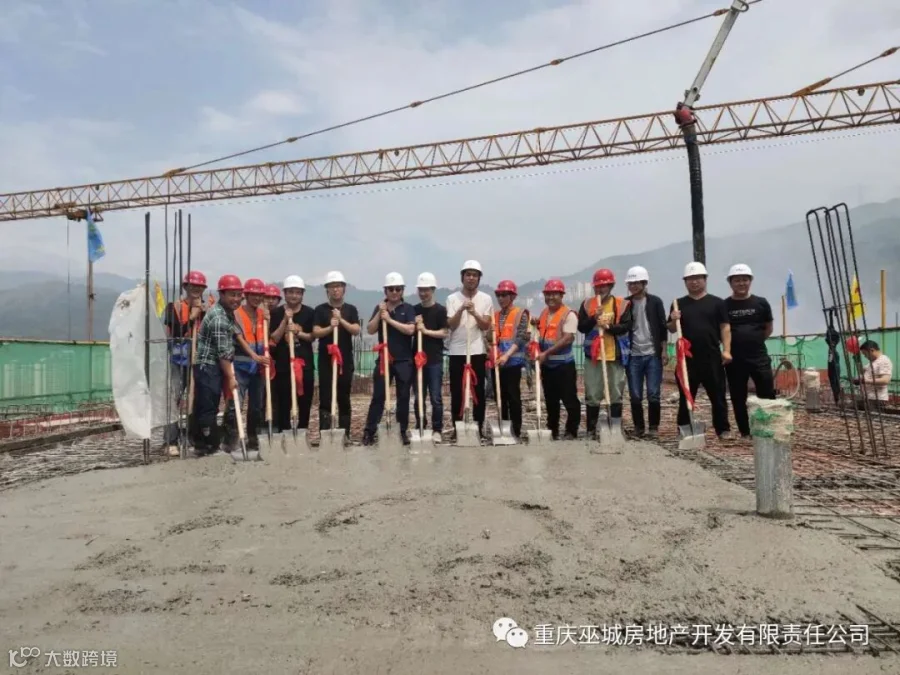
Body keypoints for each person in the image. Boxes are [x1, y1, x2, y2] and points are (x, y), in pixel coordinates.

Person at [668, 261, 733, 440]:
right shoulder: (678, 304)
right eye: (690, 279)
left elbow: (725, 328)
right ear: (685, 282)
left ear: (705, 279)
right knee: (686, 395)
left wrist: (727, 350)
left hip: (712, 356)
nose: (694, 282)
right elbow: (672, 329)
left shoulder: (717, 303)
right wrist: (673, 319)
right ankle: (684, 429)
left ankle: (723, 429)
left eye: (697, 278)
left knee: (718, 395)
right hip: (687, 359)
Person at [362, 273, 417, 445]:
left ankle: (402, 431)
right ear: (385, 290)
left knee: (403, 397)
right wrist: (380, 314)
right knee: (379, 396)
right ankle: (369, 432)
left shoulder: (408, 308)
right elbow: (370, 329)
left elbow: (410, 330)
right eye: (391, 289)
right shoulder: (380, 308)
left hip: (404, 360)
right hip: (384, 359)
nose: (394, 292)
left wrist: (390, 320)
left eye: (398, 289)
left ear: (402, 291)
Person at [577, 269, 632, 438]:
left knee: (615, 392)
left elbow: (626, 326)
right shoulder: (587, 304)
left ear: (611, 286)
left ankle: (614, 427)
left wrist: (608, 327)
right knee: (593, 393)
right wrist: (594, 317)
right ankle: (591, 429)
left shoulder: (621, 304)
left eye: (604, 286)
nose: (600, 289)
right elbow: (581, 327)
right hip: (593, 356)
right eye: (598, 286)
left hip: (614, 355)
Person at [192, 274, 243, 455]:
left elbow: (236, 336)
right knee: (208, 405)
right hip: (208, 365)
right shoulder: (219, 318)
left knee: (207, 404)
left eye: (238, 295)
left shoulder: (227, 313)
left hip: (214, 365)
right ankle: (208, 446)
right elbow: (223, 354)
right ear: (222, 294)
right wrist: (231, 378)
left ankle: (200, 444)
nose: (236, 299)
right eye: (232, 295)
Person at [724, 263, 775, 438]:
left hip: (759, 357)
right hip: (735, 359)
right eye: (737, 280)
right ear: (730, 283)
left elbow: (768, 328)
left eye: (745, 280)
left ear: (750, 281)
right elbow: (721, 330)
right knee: (738, 397)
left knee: (766, 393)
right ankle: (745, 431)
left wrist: (754, 341)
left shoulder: (761, 303)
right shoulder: (725, 305)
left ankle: (767, 428)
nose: (741, 283)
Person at [446, 260, 493, 440]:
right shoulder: (452, 299)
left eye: (475, 275)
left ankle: (478, 426)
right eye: (468, 274)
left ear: (479, 278)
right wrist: (461, 309)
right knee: (457, 391)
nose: (471, 278)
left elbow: (486, 325)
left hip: (477, 350)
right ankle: (458, 427)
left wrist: (474, 312)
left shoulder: (486, 299)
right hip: (456, 351)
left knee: (478, 391)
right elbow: (451, 325)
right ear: (462, 277)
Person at [312, 271, 361, 438]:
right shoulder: (320, 310)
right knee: (325, 397)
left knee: (344, 397)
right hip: (326, 361)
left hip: (344, 360)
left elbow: (356, 330)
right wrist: (330, 327)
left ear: (344, 289)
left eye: (338, 286)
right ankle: (325, 433)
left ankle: (345, 434)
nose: (335, 290)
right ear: (327, 290)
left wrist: (341, 320)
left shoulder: (350, 309)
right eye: (331, 287)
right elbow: (316, 332)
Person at [163, 270, 207, 454]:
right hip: (178, 360)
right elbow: (175, 332)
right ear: (185, 287)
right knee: (172, 399)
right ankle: (170, 441)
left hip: (200, 360)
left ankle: (193, 437)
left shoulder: (208, 309)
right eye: (192, 286)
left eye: (199, 286)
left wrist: (201, 313)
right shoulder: (174, 307)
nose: (196, 289)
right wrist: (192, 317)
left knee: (198, 400)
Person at [224, 278, 271, 451]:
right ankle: (230, 440)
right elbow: (238, 338)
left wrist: (268, 321)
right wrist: (254, 356)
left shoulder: (263, 315)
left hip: (258, 367)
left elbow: (265, 337)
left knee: (256, 407)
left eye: (259, 295)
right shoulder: (236, 314)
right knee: (235, 403)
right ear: (246, 295)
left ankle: (253, 438)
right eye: (253, 294)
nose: (257, 298)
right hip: (240, 365)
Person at [622, 265, 668, 438]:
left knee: (653, 394)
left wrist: (664, 350)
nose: (633, 286)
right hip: (633, 355)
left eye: (636, 283)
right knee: (635, 395)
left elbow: (662, 328)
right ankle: (639, 427)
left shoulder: (655, 302)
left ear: (644, 283)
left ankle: (653, 427)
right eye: (630, 283)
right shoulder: (625, 304)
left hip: (652, 354)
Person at [533, 279, 581, 440]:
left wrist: (546, 353)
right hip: (548, 366)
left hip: (563, 365)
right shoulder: (544, 313)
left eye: (554, 294)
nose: (550, 297)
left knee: (569, 399)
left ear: (561, 295)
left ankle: (571, 430)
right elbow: (543, 333)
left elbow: (567, 339)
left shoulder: (569, 314)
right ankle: (552, 429)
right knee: (551, 400)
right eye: (548, 294)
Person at [269, 275, 315, 432]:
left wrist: (297, 332)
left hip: (304, 364)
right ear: (285, 293)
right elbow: (274, 338)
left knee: (304, 401)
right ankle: (285, 432)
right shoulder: (276, 313)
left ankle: (302, 431)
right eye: (290, 292)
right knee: (284, 402)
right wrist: (284, 321)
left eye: (297, 292)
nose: (294, 295)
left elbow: (312, 337)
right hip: (283, 365)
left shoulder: (310, 313)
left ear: (302, 294)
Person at [412, 272, 449, 444]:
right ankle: (420, 424)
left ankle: (437, 429)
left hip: (434, 359)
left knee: (435, 397)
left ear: (433, 290)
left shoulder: (440, 310)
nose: (423, 293)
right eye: (420, 290)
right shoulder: (414, 310)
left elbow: (444, 332)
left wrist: (425, 331)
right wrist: (415, 325)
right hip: (417, 360)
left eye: (426, 290)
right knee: (419, 395)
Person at [492, 280, 530, 439]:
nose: (501, 298)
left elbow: (521, 338)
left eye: (504, 295)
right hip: (497, 363)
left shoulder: (520, 314)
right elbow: (491, 338)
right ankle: (503, 427)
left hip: (513, 362)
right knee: (499, 397)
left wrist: (507, 355)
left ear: (512, 296)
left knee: (513, 397)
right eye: (499, 295)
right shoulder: (495, 315)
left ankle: (516, 429)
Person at [853, 340, 893, 406]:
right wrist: (857, 361)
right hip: (869, 398)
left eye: (865, 354)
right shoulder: (873, 362)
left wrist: (866, 381)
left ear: (872, 350)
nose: (865, 356)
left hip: (877, 399)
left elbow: (885, 380)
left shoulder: (884, 361)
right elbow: (862, 372)